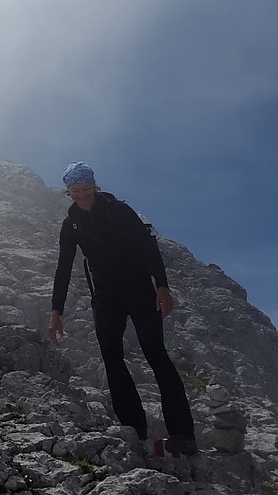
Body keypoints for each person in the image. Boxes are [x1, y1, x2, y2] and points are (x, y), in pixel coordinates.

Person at [48, 162, 198, 455]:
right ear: (68, 191)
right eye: (75, 191)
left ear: (95, 186)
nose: (81, 196)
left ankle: (183, 433)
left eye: (86, 189)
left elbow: (148, 247)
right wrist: (56, 311)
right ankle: (134, 427)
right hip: (105, 296)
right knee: (111, 356)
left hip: (140, 289)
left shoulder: (119, 211)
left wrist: (162, 287)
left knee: (156, 353)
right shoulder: (71, 224)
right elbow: (63, 267)